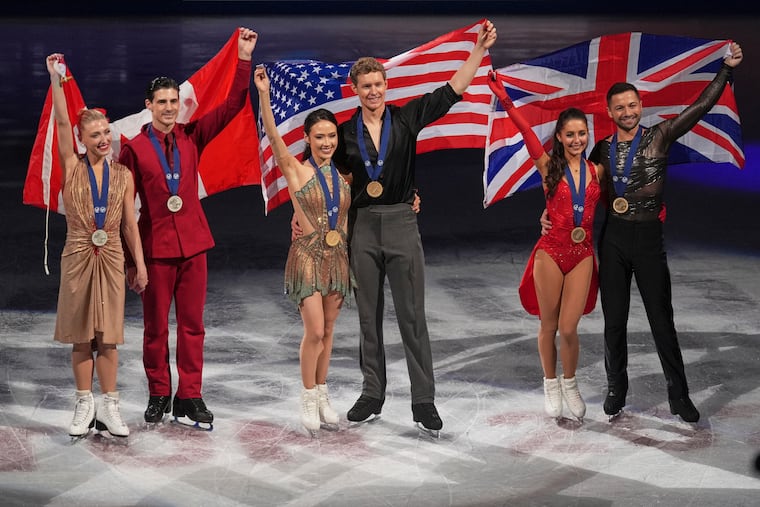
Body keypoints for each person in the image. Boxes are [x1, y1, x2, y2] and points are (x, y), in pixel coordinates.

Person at [542, 41, 743, 423]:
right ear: (610, 112)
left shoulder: (661, 135)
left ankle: (678, 395)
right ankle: (616, 388)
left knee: (661, 320)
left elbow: (700, 108)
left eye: (632, 105)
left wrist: (727, 70)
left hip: (649, 240)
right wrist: (548, 214)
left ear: (640, 107)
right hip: (614, 239)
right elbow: (573, 186)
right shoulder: (599, 149)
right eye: (620, 107)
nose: (628, 112)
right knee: (614, 321)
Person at [332, 20, 497, 434]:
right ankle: (372, 393)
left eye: (378, 84)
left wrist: (477, 51)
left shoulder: (405, 120)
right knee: (368, 318)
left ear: (386, 85)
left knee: (412, 317)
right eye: (366, 86)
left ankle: (423, 401)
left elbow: (451, 93)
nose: (373, 91)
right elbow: (333, 181)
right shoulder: (343, 134)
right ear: (355, 90)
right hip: (363, 227)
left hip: (403, 223)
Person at [119, 27, 257, 428]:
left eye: (173, 102)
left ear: (180, 105)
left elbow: (232, 105)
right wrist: (132, 261)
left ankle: (190, 396)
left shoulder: (192, 136)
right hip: (155, 249)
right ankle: (159, 393)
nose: (168, 108)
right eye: (161, 102)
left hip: (194, 245)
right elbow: (125, 210)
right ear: (148, 105)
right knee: (155, 328)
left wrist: (243, 58)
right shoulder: (133, 149)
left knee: (193, 326)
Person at [488, 71, 603, 421]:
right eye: (570, 134)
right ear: (560, 137)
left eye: (582, 133)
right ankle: (550, 383)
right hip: (550, 252)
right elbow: (525, 132)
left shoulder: (598, 171)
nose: (577, 139)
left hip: (582, 254)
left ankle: (570, 383)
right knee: (549, 326)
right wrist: (504, 97)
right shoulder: (548, 167)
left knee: (570, 328)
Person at [46, 53, 148, 438]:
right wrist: (56, 80)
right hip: (77, 255)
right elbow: (59, 119)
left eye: (106, 133)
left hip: (111, 257)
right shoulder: (73, 167)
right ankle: (83, 404)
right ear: (81, 140)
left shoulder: (122, 175)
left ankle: (109, 407)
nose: (104, 139)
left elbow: (130, 225)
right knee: (80, 336)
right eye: (95, 135)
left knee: (108, 337)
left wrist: (139, 264)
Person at [254, 66, 352, 434]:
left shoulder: (344, 175)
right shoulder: (296, 170)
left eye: (331, 136)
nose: (326, 143)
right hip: (308, 257)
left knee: (328, 331)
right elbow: (274, 137)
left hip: (338, 257)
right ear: (307, 139)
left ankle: (323, 391)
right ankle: (308, 395)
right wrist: (264, 95)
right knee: (313, 331)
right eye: (319, 137)